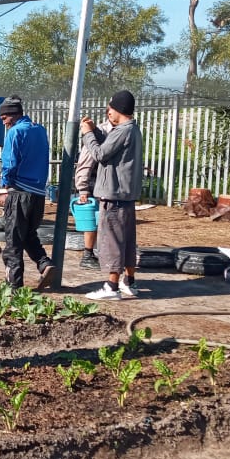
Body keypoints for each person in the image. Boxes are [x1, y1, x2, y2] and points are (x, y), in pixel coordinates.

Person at [80, 90, 143, 301]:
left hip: (113, 197)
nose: (108, 113)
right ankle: (129, 282)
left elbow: (99, 154)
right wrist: (96, 132)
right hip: (125, 197)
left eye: (110, 109)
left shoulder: (121, 130)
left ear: (118, 109)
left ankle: (111, 286)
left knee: (112, 242)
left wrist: (87, 134)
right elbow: (108, 146)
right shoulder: (132, 130)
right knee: (127, 241)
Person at [0, 97, 55, 290]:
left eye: (4, 118)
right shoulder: (40, 130)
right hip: (38, 193)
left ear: (13, 116)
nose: (3, 122)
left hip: (20, 192)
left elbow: (10, 162)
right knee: (29, 234)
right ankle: (45, 264)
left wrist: (5, 184)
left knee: (13, 239)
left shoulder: (15, 132)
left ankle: (14, 285)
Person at [73, 119, 113, 270]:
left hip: (110, 183)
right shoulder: (100, 132)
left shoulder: (123, 130)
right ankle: (88, 255)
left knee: (108, 219)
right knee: (91, 218)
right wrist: (83, 188)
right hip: (94, 181)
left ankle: (105, 253)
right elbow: (85, 161)